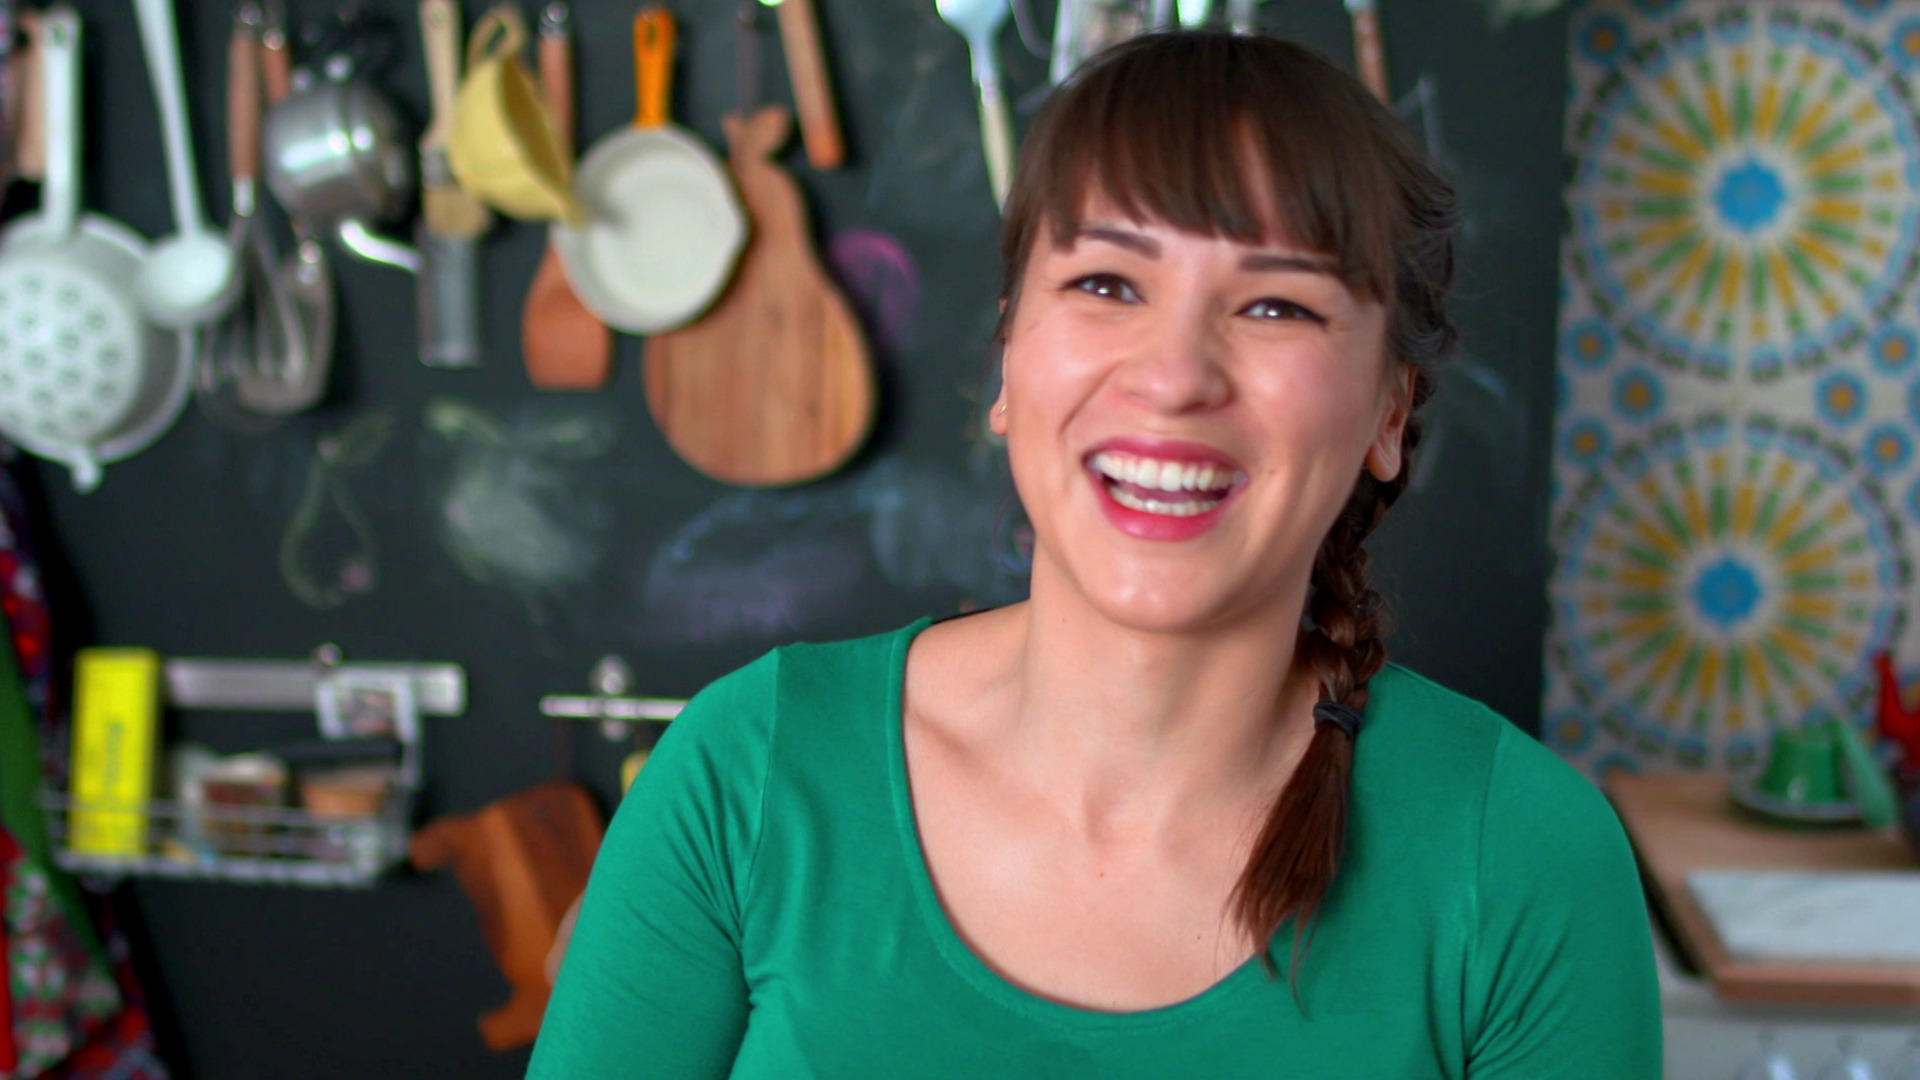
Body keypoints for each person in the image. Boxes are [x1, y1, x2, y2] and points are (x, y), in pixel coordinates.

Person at [527, 30, 1661, 1079]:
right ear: (1007, 363)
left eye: (1277, 307)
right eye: (1108, 284)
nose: (1174, 377)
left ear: (1388, 413)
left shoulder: (1528, 860)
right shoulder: (747, 772)